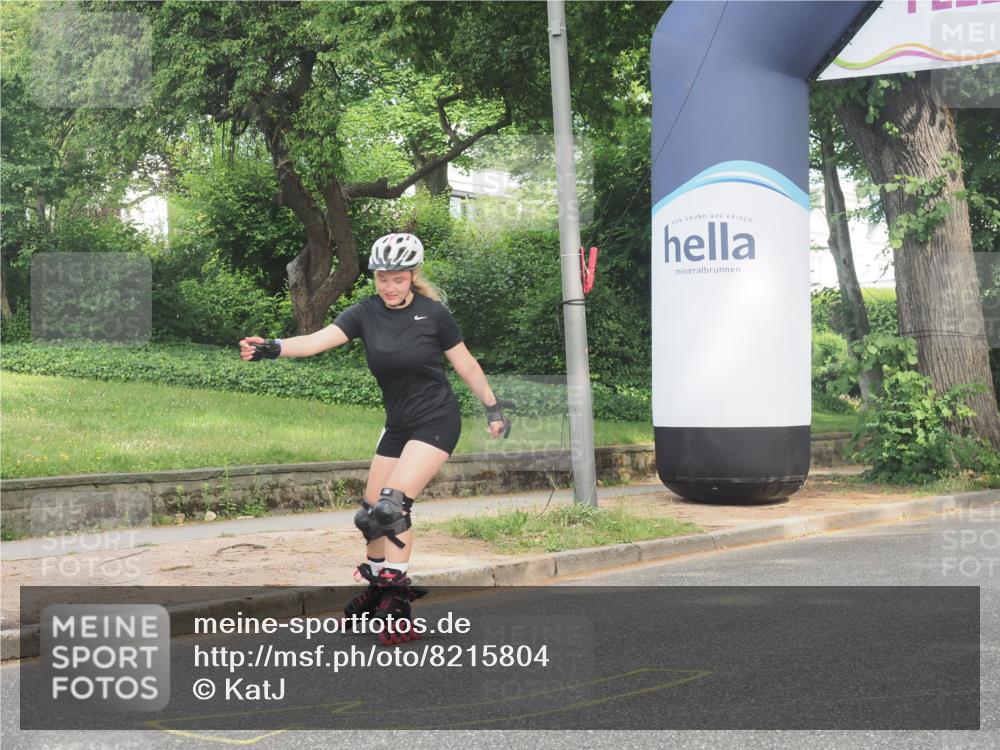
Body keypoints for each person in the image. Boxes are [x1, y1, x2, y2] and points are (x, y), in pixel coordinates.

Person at [239, 232, 511, 643]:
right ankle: (378, 590)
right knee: (369, 517)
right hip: (398, 424)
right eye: (382, 277)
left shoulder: (433, 314)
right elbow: (316, 341)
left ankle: (396, 602)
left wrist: (493, 408)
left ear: (413, 275)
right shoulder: (365, 312)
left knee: (392, 508)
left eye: (398, 278)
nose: (389, 286)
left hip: (436, 419)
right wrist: (273, 347)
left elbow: (468, 366)